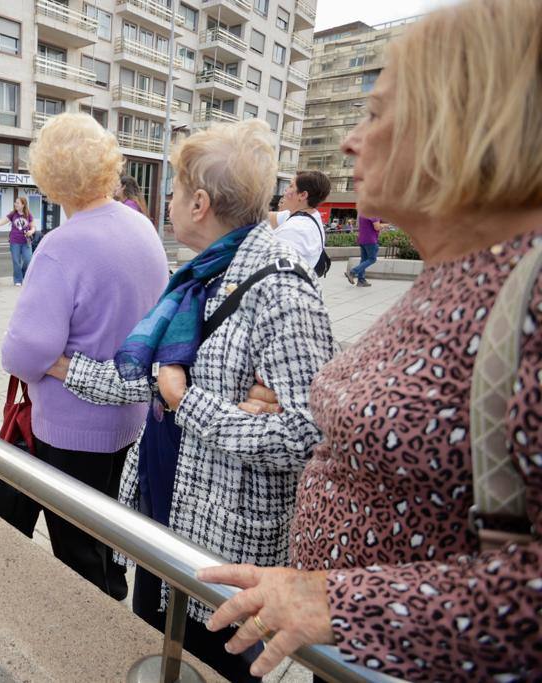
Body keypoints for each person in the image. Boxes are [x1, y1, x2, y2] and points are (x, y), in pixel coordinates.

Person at [198, 2, 542, 679]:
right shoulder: (457, 267)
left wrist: (346, 603)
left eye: (376, 114)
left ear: (465, 117)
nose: (352, 141)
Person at [44, 118, 334, 682]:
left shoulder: (281, 289)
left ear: (199, 202)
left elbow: (307, 435)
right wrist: (62, 365)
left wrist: (189, 402)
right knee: (156, 649)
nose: (167, 203)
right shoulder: (201, 274)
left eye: (173, 191)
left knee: (205, 666)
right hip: (168, 506)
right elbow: (150, 378)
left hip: (221, 545)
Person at [0, 113, 169, 603]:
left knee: (76, 549)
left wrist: (49, 361)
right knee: (108, 534)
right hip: (129, 417)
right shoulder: (141, 229)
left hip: (71, 427)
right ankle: (111, 601)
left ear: (49, 178)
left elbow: (23, 352)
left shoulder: (60, 245)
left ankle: (93, 639)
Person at [267, 171, 330, 269]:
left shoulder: (295, 230)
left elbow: (273, 271)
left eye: (291, 186)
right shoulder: (310, 214)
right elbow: (268, 217)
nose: (285, 191)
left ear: (302, 195)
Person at [0, 196, 35, 286]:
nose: (15, 204)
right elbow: (2, 222)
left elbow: (33, 227)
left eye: (17, 203)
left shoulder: (28, 215)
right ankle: (18, 280)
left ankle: (23, 275)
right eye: (15, 202)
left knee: (28, 260)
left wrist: (31, 231)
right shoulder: (13, 214)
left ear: (23, 205)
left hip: (26, 242)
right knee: (16, 261)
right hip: (15, 241)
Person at [345, 214, 386, 286]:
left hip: (362, 239)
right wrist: (386, 225)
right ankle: (353, 272)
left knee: (364, 260)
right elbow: (377, 227)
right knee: (372, 259)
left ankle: (361, 280)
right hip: (371, 240)